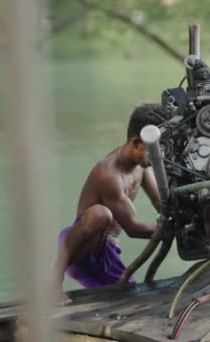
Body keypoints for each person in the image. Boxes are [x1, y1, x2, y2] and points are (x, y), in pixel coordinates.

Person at [51, 104, 165, 305]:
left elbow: (162, 203)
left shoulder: (142, 165)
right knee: (101, 214)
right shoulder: (109, 174)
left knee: (131, 296)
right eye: (155, 148)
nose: (160, 154)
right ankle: (53, 281)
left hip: (109, 252)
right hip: (83, 250)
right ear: (137, 142)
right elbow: (132, 228)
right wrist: (171, 228)